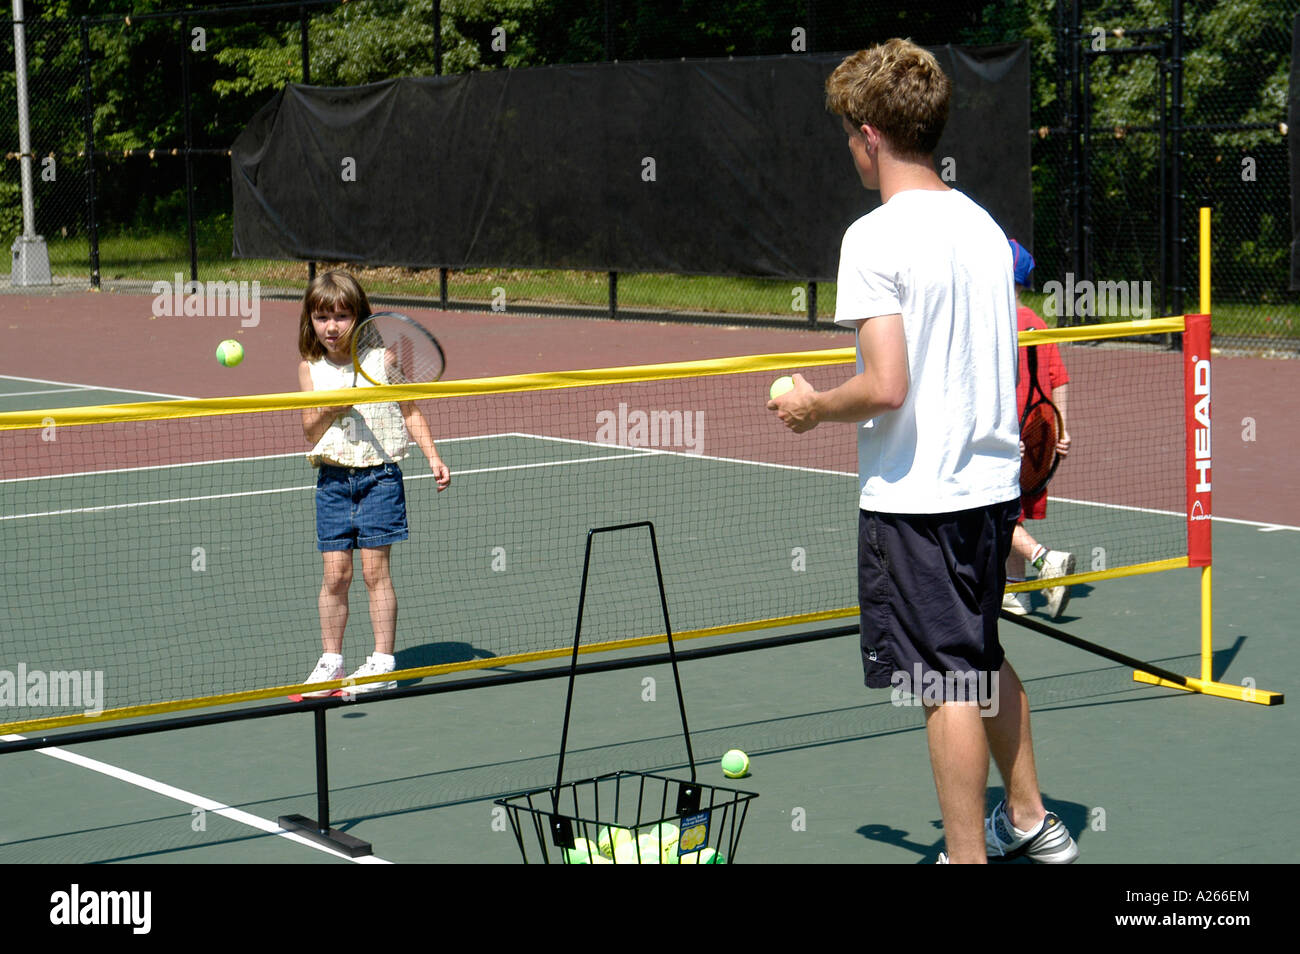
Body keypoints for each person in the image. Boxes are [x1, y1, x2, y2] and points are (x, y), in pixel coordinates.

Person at [768, 40, 1077, 864]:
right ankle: (1029, 819)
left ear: (870, 134)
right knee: (976, 659)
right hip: (987, 490)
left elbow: (887, 385)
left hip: (921, 501)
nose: (848, 150)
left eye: (847, 135)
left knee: (943, 687)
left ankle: (967, 856)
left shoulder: (872, 238)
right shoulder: (983, 227)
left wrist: (810, 407)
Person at [296, 271, 451, 697]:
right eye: (322, 316)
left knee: (374, 572)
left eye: (342, 316)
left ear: (359, 317)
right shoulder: (310, 369)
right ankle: (332, 661)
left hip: (379, 478)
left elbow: (410, 411)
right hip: (332, 480)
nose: (331, 326)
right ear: (310, 320)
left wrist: (433, 458)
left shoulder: (383, 362)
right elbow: (310, 430)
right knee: (335, 575)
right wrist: (334, 404)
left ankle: (383, 662)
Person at [1003, 238, 1075, 619]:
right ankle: (1018, 594)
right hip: (1042, 432)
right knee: (1015, 512)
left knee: (993, 511)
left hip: (1010, 435)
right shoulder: (1039, 322)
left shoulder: (991, 322)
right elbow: (1058, 378)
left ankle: (1046, 560)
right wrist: (1061, 429)